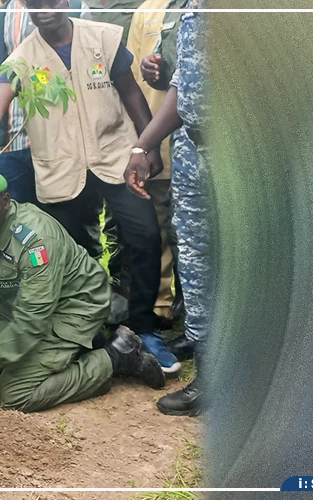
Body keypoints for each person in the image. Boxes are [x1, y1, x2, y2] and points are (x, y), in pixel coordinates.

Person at [0, 0, 182, 375]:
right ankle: (89, 334)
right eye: (34, 4)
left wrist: (145, 145)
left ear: (66, 2)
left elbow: (131, 92)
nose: (44, 9)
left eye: (51, 1)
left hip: (113, 157)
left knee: (145, 236)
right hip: (61, 168)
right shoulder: (21, 59)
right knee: (74, 253)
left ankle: (144, 329)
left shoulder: (103, 37)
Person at [0, 166, 165, 412]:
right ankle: (77, 346)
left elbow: (32, 321)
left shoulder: (35, 240)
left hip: (74, 305)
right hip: (20, 306)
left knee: (14, 393)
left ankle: (117, 355)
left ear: (6, 202)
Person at [124, 3, 206, 416]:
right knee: (195, 261)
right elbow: (183, 84)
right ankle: (203, 352)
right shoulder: (193, 8)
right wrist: (146, 143)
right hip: (192, 147)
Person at [0, 0, 87, 203]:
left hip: (62, 140)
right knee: (16, 211)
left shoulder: (76, 9)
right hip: (12, 140)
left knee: (67, 214)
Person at [127, 0, 189, 327]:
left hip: (198, 145)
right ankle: (162, 308)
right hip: (157, 142)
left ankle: (193, 309)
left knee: (193, 234)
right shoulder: (146, 10)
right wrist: (147, 68)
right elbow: (131, 83)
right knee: (159, 229)